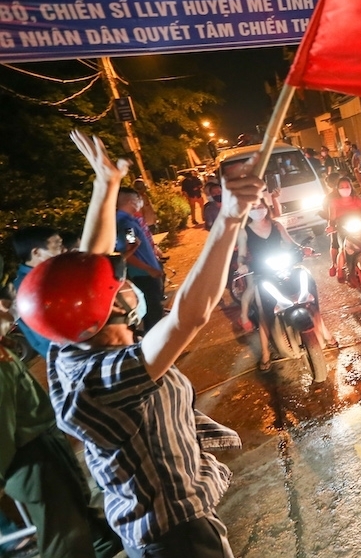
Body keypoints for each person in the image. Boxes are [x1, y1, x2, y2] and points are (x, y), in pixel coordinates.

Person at [17, 129, 263, 557]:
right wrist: (228, 220)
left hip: (170, 529)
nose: (125, 287)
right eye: (118, 288)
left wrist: (105, 186)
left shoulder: (68, 344)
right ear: (105, 311)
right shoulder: (106, 377)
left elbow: (86, 272)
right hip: (179, 539)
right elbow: (191, 314)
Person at [0, 328, 123, 558]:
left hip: (41, 448)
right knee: (66, 537)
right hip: (32, 458)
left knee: (78, 516)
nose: (5, 306)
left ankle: (107, 544)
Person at [236, 197, 324, 371]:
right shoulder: (244, 231)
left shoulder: (277, 225)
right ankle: (265, 354)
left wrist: (304, 250)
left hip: (284, 267)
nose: (257, 209)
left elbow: (292, 243)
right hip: (261, 271)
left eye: (260, 206)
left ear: (266, 207)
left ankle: (324, 332)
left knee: (308, 293)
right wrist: (241, 265)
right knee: (264, 314)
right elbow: (241, 253)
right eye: (253, 207)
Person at [116, 187, 165, 333]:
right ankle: (155, 346)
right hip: (144, 275)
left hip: (145, 273)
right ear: (132, 201)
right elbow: (128, 252)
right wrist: (149, 269)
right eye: (139, 199)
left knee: (153, 309)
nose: (141, 202)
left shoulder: (128, 220)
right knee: (153, 311)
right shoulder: (127, 225)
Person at [11, 226, 65, 357]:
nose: (64, 250)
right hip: (65, 355)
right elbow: (48, 335)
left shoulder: (50, 274)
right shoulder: (26, 289)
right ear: (36, 253)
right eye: (57, 246)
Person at [326, 175, 361, 284]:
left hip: (359, 225)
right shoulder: (334, 202)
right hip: (342, 228)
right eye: (342, 187)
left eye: (347, 186)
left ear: (351, 187)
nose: (345, 189)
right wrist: (331, 226)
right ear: (337, 188)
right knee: (343, 248)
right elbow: (332, 218)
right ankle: (340, 270)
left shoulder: (356, 199)